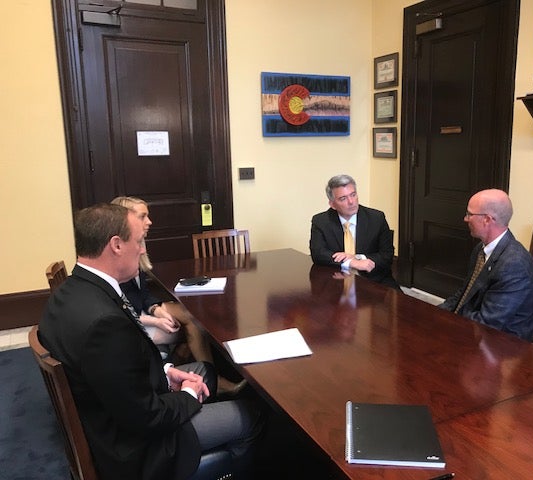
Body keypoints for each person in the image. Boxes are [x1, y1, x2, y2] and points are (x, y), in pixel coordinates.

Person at [38, 203, 263, 480]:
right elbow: (147, 417)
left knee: (207, 372)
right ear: (116, 245)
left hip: (113, 410)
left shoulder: (72, 291)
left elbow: (116, 371)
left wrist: (166, 372)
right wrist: (187, 395)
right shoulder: (104, 325)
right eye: (139, 241)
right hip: (137, 449)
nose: (143, 249)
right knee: (250, 414)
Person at [111, 196, 245, 396]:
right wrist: (155, 321)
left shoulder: (135, 246)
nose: (149, 222)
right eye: (143, 216)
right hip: (132, 325)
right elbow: (121, 310)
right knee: (193, 325)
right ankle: (213, 380)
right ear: (125, 220)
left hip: (140, 313)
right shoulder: (118, 257)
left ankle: (190, 366)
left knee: (190, 314)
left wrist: (156, 309)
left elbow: (143, 294)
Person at [439, 189, 533, 341]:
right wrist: (437, 313)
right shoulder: (480, 249)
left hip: (505, 347)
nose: (466, 219)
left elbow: (488, 324)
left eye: (469, 214)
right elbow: (466, 292)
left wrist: (452, 320)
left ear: (487, 219)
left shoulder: (514, 265)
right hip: (478, 331)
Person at [310, 174, 399, 288]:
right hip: (337, 281)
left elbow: (387, 255)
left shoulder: (376, 218)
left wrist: (358, 258)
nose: (351, 201)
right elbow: (318, 254)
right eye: (343, 198)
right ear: (332, 204)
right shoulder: (321, 221)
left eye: (353, 194)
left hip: (374, 280)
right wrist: (351, 262)